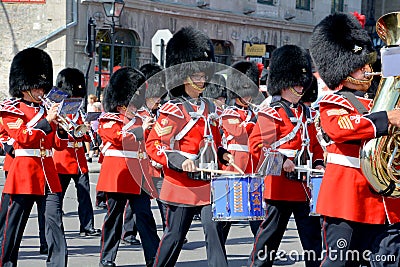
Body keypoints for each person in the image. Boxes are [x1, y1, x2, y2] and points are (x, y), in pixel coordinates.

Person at [309, 12, 400, 266]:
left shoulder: (377, 102)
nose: (368, 70)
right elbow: (342, 128)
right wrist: (387, 119)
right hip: (346, 200)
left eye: (368, 65)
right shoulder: (333, 102)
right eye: (362, 67)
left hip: (383, 199)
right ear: (346, 70)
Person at [145, 26, 233, 267]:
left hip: (207, 182)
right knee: (174, 237)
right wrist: (177, 160)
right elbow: (154, 144)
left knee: (214, 234)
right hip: (181, 182)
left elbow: (214, 141)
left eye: (204, 75)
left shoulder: (207, 108)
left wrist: (224, 155)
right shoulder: (173, 109)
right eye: (196, 75)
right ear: (183, 77)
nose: (201, 80)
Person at [247, 45, 324, 267]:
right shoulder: (271, 112)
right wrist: (282, 161)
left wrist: (318, 163)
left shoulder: (306, 113)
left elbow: (315, 146)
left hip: (303, 188)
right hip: (278, 187)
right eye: (295, 82)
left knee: (313, 244)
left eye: (302, 82)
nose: (301, 86)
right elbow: (258, 145)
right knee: (267, 243)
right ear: (283, 83)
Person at [0, 47, 68, 266]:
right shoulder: (12, 109)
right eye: (37, 86)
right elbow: (23, 136)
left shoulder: (47, 109)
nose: (41, 90)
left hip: (48, 173)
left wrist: (63, 128)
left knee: (54, 223)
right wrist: (47, 121)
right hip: (24, 173)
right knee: (13, 226)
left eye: (43, 85)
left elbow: (57, 145)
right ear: (25, 86)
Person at [97, 67, 160, 267]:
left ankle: (154, 257)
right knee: (114, 219)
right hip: (118, 175)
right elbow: (118, 138)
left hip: (139, 175)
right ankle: (107, 257)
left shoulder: (142, 118)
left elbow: (151, 141)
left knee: (145, 217)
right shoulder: (109, 119)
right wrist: (142, 129)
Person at [53, 67, 101, 237]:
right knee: (57, 198)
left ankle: (87, 227)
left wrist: (88, 131)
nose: (76, 99)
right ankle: (55, 227)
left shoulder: (80, 113)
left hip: (79, 160)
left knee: (84, 195)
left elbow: (85, 137)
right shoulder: (58, 112)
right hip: (62, 161)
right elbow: (56, 138)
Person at [219, 60, 263, 240]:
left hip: (252, 167)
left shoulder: (253, 113)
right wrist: (255, 120)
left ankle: (263, 251)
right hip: (234, 168)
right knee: (226, 217)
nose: (248, 98)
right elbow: (240, 131)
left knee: (256, 215)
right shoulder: (229, 113)